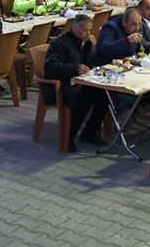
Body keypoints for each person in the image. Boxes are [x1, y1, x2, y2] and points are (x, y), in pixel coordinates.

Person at [43, 14, 109, 151]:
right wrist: (74, 68)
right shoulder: (60, 43)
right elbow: (50, 67)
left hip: (79, 82)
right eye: (85, 30)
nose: (88, 33)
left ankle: (89, 133)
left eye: (90, 30)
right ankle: (69, 137)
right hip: (59, 84)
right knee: (83, 99)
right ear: (74, 28)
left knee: (104, 95)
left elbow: (90, 63)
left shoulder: (86, 41)